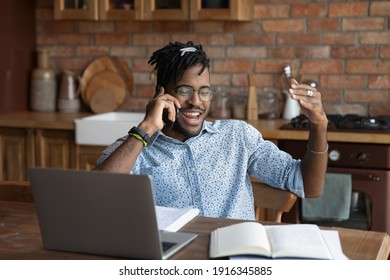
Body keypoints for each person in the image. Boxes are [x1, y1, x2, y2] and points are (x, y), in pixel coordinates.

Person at [94, 41, 328, 220]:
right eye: (185, 90)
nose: (196, 102)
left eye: (204, 91)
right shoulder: (136, 147)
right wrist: (145, 129)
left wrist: (319, 126)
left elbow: (309, 186)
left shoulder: (238, 137)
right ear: (160, 93)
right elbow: (94, 197)